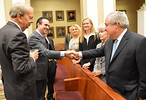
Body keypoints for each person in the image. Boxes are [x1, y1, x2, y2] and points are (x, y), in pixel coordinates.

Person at [70, 11, 146, 100]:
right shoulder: (110, 41)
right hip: (110, 91)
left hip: (130, 95)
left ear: (116, 25)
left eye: (107, 25)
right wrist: (78, 54)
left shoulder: (139, 41)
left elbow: (144, 72)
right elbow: (97, 52)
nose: (105, 28)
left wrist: (142, 96)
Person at [0, 2, 39, 100]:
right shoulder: (18, 35)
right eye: (30, 18)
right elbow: (21, 68)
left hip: (10, 88)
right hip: (23, 92)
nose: (32, 21)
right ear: (19, 16)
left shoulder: (2, 31)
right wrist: (32, 58)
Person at [28, 17, 71, 100]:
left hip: (43, 72)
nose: (47, 27)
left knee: (42, 95)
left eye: (48, 25)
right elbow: (45, 52)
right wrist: (65, 53)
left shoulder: (42, 38)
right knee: (39, 97)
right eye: (45, 25)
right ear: (38, 24)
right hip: (37, 73)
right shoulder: (34, 37)